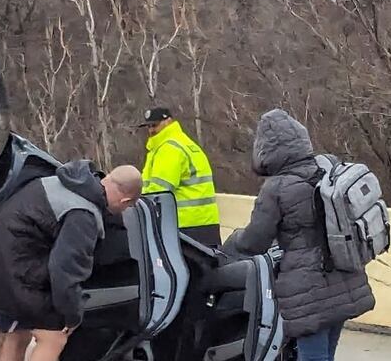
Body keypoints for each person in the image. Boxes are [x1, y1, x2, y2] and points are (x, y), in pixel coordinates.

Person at [223, 109, 375, 361]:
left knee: (312, 357)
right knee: (326, 355)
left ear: (265, 150)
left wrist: (235, 241)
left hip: (308, 291)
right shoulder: (328, 168)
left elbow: (254, 242)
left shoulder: (276, 187)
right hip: (344, 276)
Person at [0, 160, 142, 361]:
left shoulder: (57, 182)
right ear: (125, 202)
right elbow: (65, 272)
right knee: (55, 337)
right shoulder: (83, 215)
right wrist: (72, 316)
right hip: (12, 276)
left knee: (17, 334)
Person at [139, 107, 221, 246]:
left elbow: (158, 193)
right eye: (148, 126)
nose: (151, 130)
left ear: (168, 121)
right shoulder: (184, 143)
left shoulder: (169, 149)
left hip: (184, 227)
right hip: (204, 224)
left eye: (155, 125)